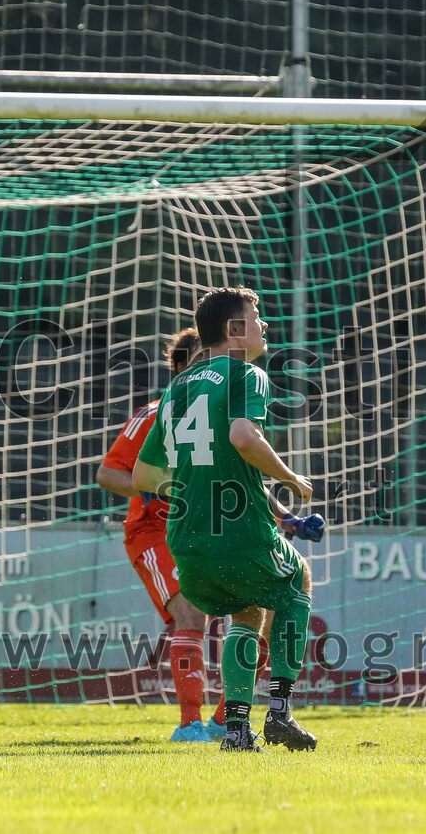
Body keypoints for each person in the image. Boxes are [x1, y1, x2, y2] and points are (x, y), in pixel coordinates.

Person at [134, 286, 321, 752]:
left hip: (186, 538)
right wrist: (291, 478)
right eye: (256, 317)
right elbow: (243, 436)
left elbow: (142, 474)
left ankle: (236, 730)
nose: (264, 325)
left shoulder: (176, 388)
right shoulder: (247, 373)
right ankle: (279, 712)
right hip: (239, 529)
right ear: (234, 329)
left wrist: (195, 494)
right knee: (297, 578)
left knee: (247, 610)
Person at [97, 327, 228, 743]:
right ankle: (190, 726)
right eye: (202, 359)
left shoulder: (226, 413)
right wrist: (163, 487)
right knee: (191, 613)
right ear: (182, 366)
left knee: (262, 610)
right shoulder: (154, 413)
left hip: (209, 531)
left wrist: (284, 517)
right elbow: (108, 474)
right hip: (155, 531)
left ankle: (226, 720)